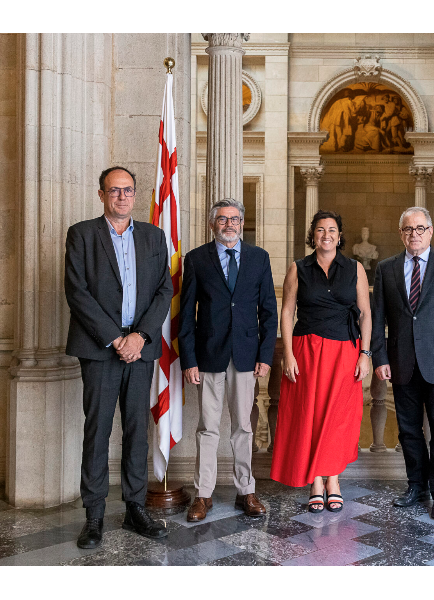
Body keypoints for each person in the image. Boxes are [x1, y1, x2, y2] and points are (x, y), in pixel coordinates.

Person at [65, 166, 173, 549]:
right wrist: (116, 338)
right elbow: (77, 293)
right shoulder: (81, 235)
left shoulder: (154, 236)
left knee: (136, 431)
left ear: (135, 194)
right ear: (102, 195)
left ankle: (134, 508)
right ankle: (93, 516)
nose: (122, 197)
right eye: (115, 191)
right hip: (99, 349)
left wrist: (140, 336)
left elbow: (164, 289)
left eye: (128, 190)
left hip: (140, 350)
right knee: (97, 432)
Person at [178, 198, 278, 520]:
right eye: (222, 219)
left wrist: (265, 356)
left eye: (235, 219)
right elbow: (185, 316)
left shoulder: (259, 259)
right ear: (212, 224)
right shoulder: (195, 260)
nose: (229, 224)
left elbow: (269, 313)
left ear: (242, 222)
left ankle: (246, 491)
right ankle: (203, 495)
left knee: (244, 428)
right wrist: (189, 360)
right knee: (207, 427)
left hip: (247, 356)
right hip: (208, 356)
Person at [371, 207, 434, 520]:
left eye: (420, 228)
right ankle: (416, 486)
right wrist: (380, 356)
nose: (414, 234)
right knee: (409, 431)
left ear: (430, 231)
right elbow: (377, 318)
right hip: (401, 363)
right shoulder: (386, 268)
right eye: (408, 229)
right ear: (401, 233)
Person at [270, 210, 372, 513]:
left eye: (332, 230)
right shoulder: (298, 268)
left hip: (345, 350)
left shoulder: (355, 268)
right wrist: (287, 353)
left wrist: (365, 354)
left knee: (338, 417)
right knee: (310, 415)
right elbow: (287, 312)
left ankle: (333, 480)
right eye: (319, 230)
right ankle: (315, 480)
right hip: (307, 349)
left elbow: (365, 313)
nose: (326, 235)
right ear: (312, 235)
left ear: (340, 236)